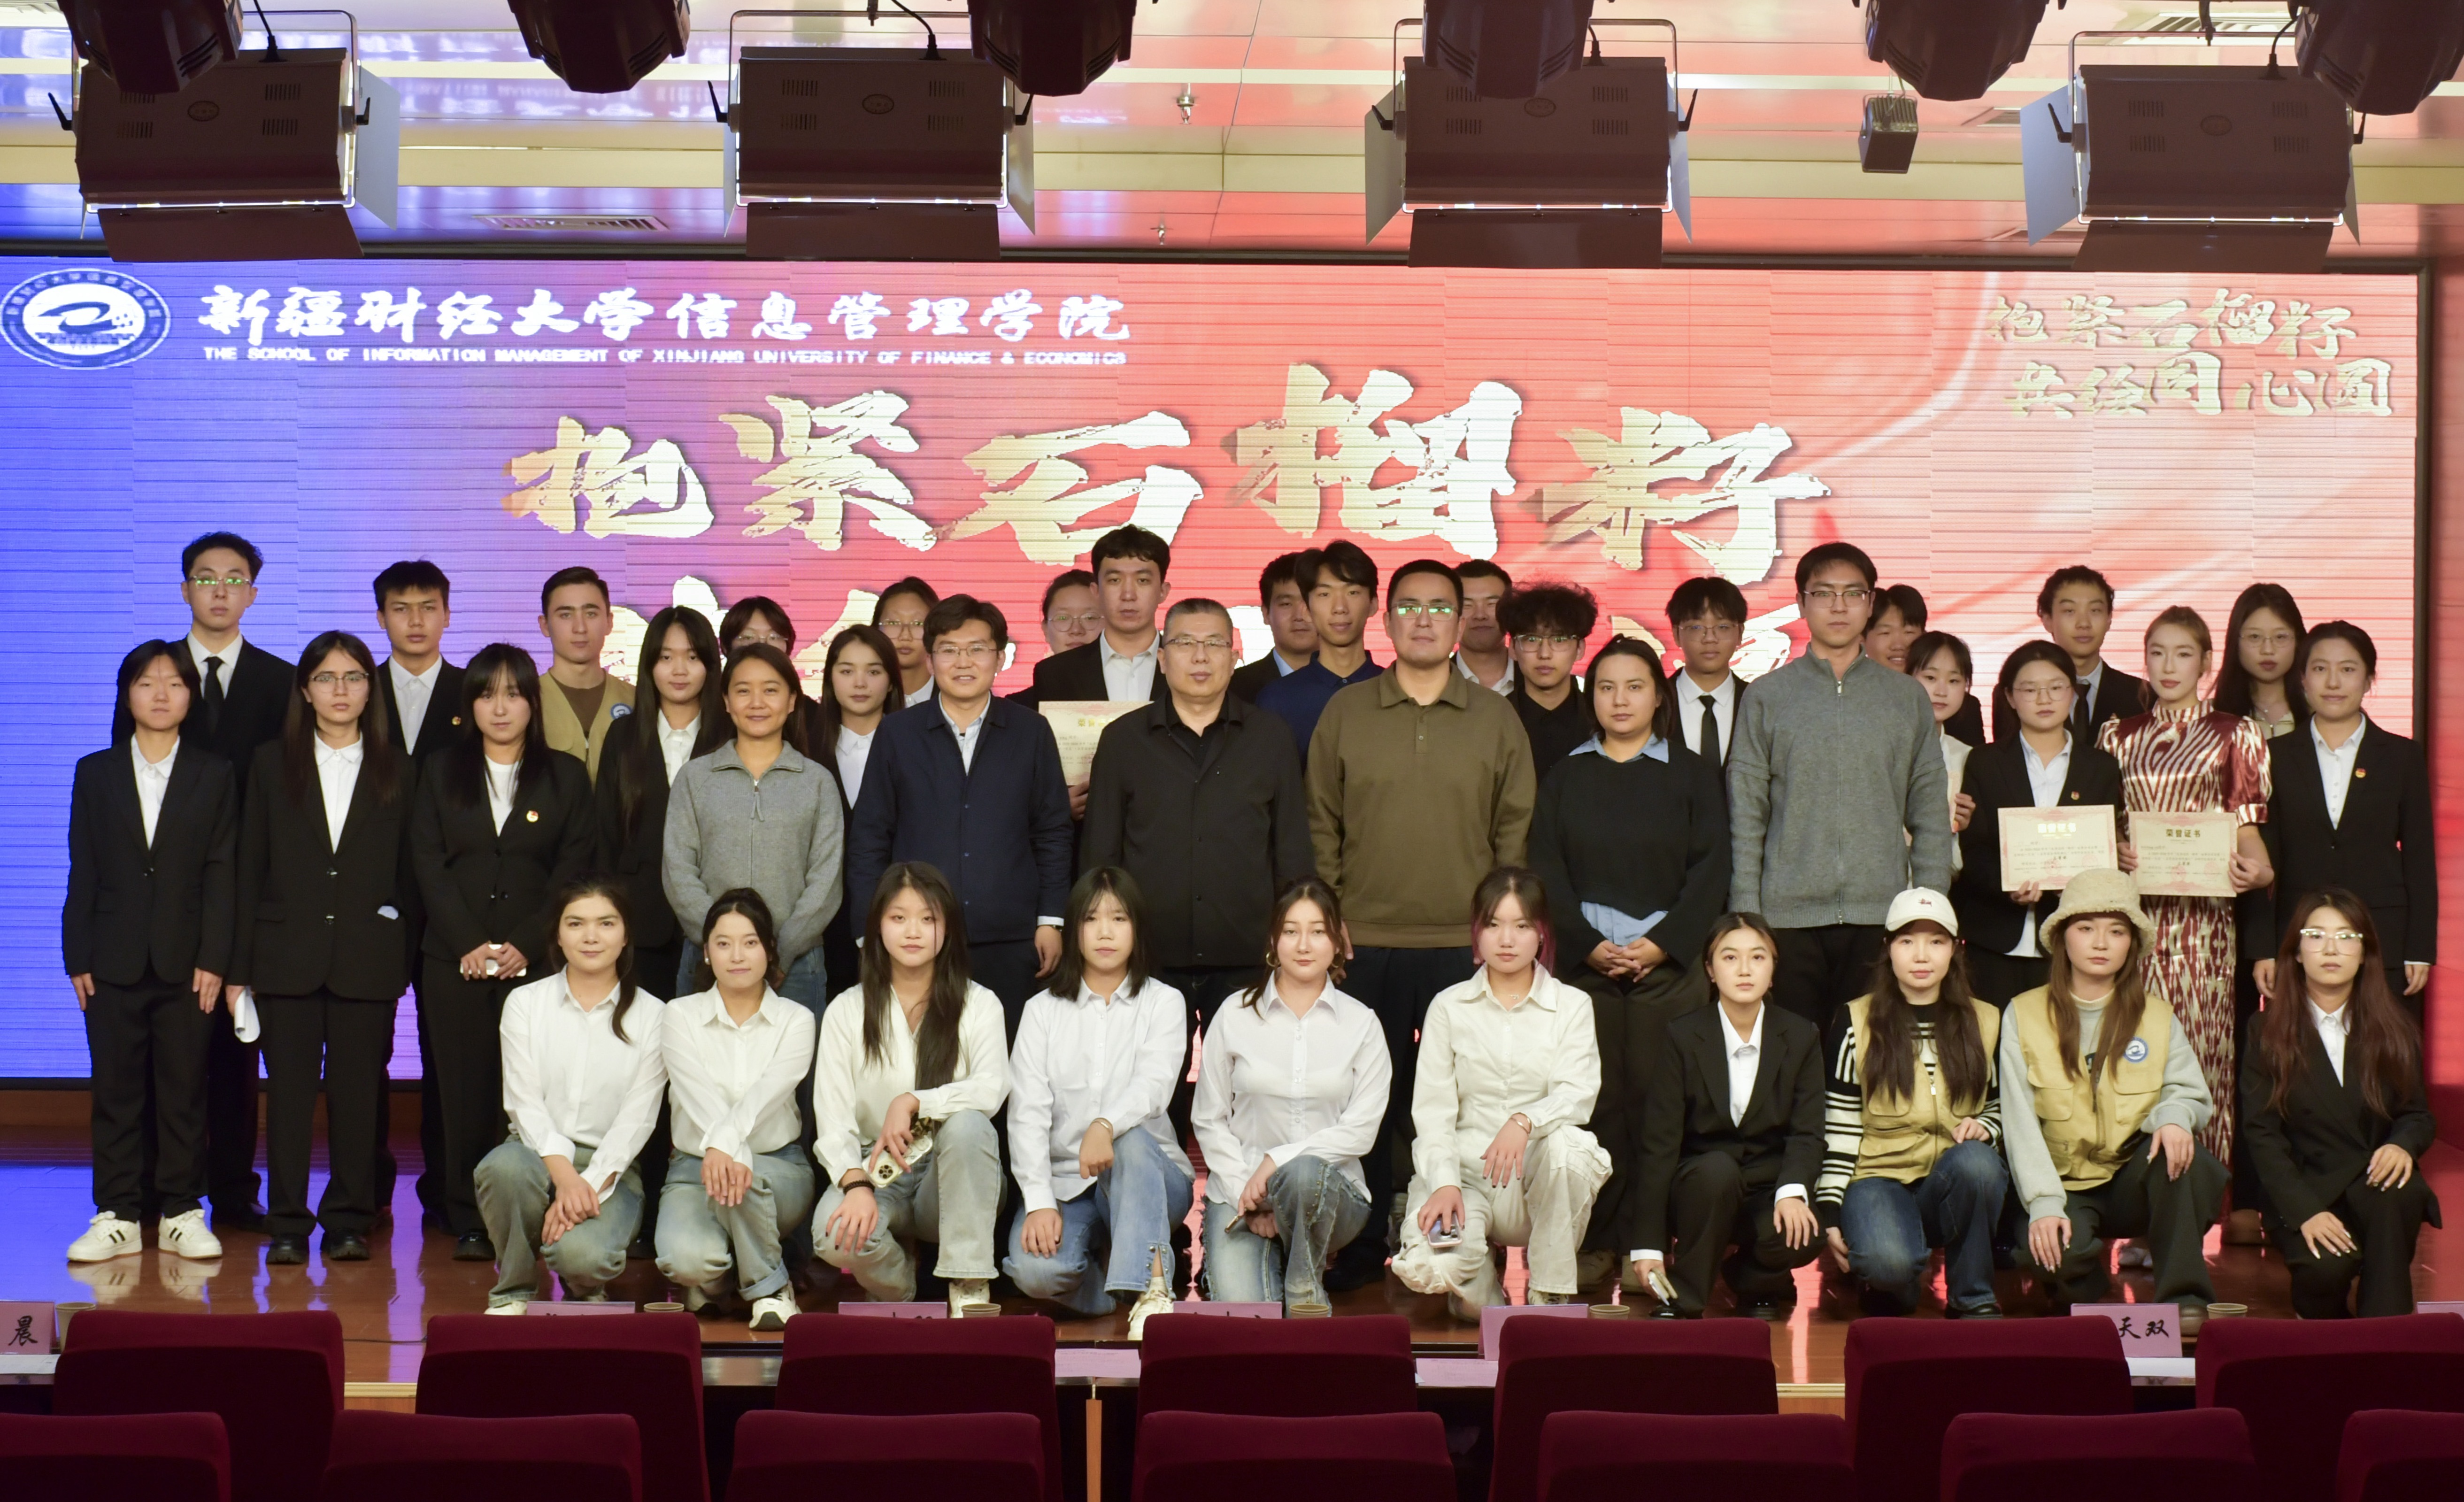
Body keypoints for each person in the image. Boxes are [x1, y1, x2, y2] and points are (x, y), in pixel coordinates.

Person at [1308, 558, 1536, 1287]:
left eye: (1440, 607)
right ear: (1387, 618)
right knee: (1367, 1099)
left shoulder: (1495, 717)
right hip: (1364, 939)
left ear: (1462, 619)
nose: (1425, 620)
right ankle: (1362, 1237)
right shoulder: (1347, 711)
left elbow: (1514, 827)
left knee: (1462, 1102)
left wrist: (1496, 928)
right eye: (1410, 606)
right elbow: (1322, 819)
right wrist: (1333, 914)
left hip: (1461, 947)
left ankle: (1466, 1240)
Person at [1528, 635, 1727, 1286]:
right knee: (1591, 1106)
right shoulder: (1567, 774)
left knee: (1660, 1109)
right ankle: (1594, 1240)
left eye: (1635, 686)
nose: (1620, 700)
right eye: (1607, 687)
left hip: (1669, 971)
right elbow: (1546, 867)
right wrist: (1585, 943)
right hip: (1584, 970)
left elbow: (1711, 868)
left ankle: (1650, 1241)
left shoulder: (1692, 773)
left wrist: (1664, 943)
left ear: (1658, 695)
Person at [1080, 597, 1311, 1146]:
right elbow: (1100, 858)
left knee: (1254, 1097)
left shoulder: (1270, 736)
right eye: (1185, 643)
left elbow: (1291, 848)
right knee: (1146, 1102)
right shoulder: (1124, 740)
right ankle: (1159, 1201)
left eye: (1213, 644)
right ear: (1162, 658)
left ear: (1235, 656)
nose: (1199, 656)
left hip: (1248, 956)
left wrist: (1294, 939)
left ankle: (1250, 1198)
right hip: (1149, 959)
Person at [230, 632, 413, 1267]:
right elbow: (248, 866)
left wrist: (399, 945)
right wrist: (239, 966)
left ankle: (348, 1220)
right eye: (327, 677)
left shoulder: (399, 767)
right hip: (285, 956)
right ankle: (287, 1221)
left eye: (354, 677)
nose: (341, 689)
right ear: (305, 690)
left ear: (370, 688)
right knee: (288, 1098)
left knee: (358, 1097)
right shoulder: (268, 764)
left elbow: (410, 872)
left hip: (369, 957)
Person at [410, 644, 597, 1262]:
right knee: (462, 1091)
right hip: (453, 960)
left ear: (531, 703)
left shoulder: (565, 775)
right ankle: (468, 1215)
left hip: (536, 964)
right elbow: (427, 861)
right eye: (487, 694)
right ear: (470, 705)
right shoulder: (440, 770)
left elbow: (573, 866)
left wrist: (527, 940)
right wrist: (468, 939)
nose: (500, 707)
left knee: (528, 1092)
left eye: (513, 693)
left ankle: (531, 1209)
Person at [1729, 541, 1951, 1034]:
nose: (1838, 606)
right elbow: (1746, 813)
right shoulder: (1767, 696)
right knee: (1792, 1055)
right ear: (1801, 602)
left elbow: (1931, 814)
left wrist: (1930, 909)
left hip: (1883, 915)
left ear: (1870, 604)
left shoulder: (1905, 698)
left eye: (1853, 593)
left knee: (1872, 1056)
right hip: (1786, 918)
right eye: (1823, 593)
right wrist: (1747, 913)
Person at [63, 643, 235, 1263]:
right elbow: (84, 867)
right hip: (110, 958)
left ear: (191, 695)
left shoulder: (215, 772)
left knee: (184, 1090)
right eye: (146, 682)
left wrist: (216, 955)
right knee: (115, 1091)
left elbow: (222, 871)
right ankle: (118, 1214)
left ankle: (183, 1211)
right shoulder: (96, 771)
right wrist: (76, 953)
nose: (161, 694)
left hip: (188, 962)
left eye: (174, 683)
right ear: (126, 693)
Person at [2002, 870, 2225, 1332]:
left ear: (2131, 944)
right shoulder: (2023, 1013)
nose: (2101, 942)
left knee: (2189, 1160)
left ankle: (2185, 1297)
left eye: (2116, 931)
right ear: (2063, 938)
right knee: (2057, 1262)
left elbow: (2186, 1090)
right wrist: (2044, 1202)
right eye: (2086, 928)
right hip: (2063, 1185)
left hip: (2131, 1178)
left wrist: (2174, 1116)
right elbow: (2019, 1122)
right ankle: (2085, 1280)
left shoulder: (2156, 1015)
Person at [2097, 606, 2272, 1171]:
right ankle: (2133, 1196)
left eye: (2182, 654)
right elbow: (2102, 826)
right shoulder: (2116, 736)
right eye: (2157, 653)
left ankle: (2201, 1198)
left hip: (2205, 927)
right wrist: (2114, 847)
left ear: (2206, 662)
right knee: (2130, 1053)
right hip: (2130, 922)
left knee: (2203, 1055)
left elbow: (2249, 835)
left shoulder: (2235, 734)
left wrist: (2260, 873)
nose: (2168, 666)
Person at [1392, 870, 1609, 1318]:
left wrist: (1524, 1120)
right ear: (1477, 931)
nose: (1507, 939)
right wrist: (1445, 1182)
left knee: (1570, 1147)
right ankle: (1481, 1285)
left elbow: (1577, 1093)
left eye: (1522, 925)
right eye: (1493, 924)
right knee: (1435, 1269)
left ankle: (1549, 1293)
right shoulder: (1448, 1006)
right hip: (1466, 1177)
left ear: (1542, 932)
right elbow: (1432, 1113)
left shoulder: (1572, 1005)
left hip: (1535, 1180)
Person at [850, 595, 1073, 1029]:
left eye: (977, 649)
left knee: (1008, 1057)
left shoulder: (1030, 730)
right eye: (949, 650)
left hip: (1011, 938)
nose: (963, 661)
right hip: (918, 937)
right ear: (930, 660)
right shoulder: (898, 733)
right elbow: (870, 836)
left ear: (1000, 658)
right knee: (919, 1057)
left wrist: (1051, 920)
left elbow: (1052, 832)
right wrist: (868, 929)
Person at [810, 862, 1011, 1314]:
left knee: (970, 1125)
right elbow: (833, 1118)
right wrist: (856, 1184)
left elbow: (993, 1088)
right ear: (877, 926)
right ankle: (902, 1287)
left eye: (928, 918)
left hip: (952, 1168)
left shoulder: (980, 1003)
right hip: (877, 1165)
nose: (913, 931)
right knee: (833, 1234)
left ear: (948, 927)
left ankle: (968, 1279)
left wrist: (917, 1100)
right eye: (899, 917)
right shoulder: (847, 1009)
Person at [1003, 868, 1195, 1335]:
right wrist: (1038, 1201)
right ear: (1074, 930)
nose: (1105, 932)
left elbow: (1154, 1085)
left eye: (1119, 918)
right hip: (1068, 1182)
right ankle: (1118, 1285)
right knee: (1035, 1272)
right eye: (1091, 919)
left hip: (1152, 1178)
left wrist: (1105, 1123)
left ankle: (1151, 1290)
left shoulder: (1164, 1002)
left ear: (1137, 928)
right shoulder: (1042, 1011)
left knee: (1131, 1140)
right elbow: (1027, 1114)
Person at [1191, 878, 1392, 1313]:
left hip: (1333, 1198)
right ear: (1273, 940)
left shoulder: (1362, 1024)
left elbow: (1361, 1131)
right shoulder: (1234, 1015)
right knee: (1246, 1317)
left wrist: (1276, 1164)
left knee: (1302, 1173)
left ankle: (1304, 1285)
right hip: (1241, 1191)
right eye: (1290, 930)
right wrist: (1251, 1192)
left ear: (1337, 942)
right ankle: (1264, 1260)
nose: (1304, 944)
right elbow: (1209, 1117)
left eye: (1318, 931)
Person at [172, 531, 293, 1232]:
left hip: (251, 892)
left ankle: (234, 1191)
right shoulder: (155, 673)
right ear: (185, 589)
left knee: (236, 1050)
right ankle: (166, 1187)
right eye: (206, 576)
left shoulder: (282, 681)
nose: (220, 590)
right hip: (168, 893)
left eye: (234, 578)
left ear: (253, 593)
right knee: (169, 1049)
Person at [2241, 891, 2438, 1319]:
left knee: (2399, 1192)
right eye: (2316, 935)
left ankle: (2386, 1331)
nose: (2331, 948)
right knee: (2325, 1271)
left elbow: (2417, 1114)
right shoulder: (2266, 1030)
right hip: (2307, 1187)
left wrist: (2402, 1144)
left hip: (2373, 1184)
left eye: (2347, 937)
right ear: (2296, 952)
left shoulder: (2394, 1026)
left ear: (2365, 952)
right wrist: (2305, 1212)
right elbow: (2262, 1133)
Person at [475, 878, 668, 1313]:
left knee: (582, 1257)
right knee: (504, 1168)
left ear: (626, 935)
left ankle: (583, 1285)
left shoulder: (654, 1015)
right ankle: (513, 1289)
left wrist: (585, 1186)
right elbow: (523, 1102)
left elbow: (636, 1122)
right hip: (533, 1154)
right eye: (576, 923)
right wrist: (564, 1177)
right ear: (558, 936)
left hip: (611, 1165)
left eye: (606, 923)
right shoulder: (526, 1003)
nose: (591, 936)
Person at [1815, 889, 2007, 1318]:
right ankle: (1891, 1272)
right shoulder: (1855, 1021)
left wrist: (1986, 1127)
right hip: (1878, 1179)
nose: (1922, 955)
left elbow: (2001, 1109)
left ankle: (1973, 1297)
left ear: (1955, 950)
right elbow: (1840, 1126)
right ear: (1888, 949)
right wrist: (1829, 1211)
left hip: (1951, 1180)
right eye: (1907, 941)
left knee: (1979, 1162)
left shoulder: (1987, 1020)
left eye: (1936, 941)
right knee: (1889, 1269)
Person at [1633, 913, 1825, 1318]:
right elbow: (1659, 1144)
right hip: (1701, 1190)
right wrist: (1648, 1244)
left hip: (1766, 1189)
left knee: (1805, 1233)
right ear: (1710, 969)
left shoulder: (1801, 1035)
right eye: (1730, 957)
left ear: (1773, 969)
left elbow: (1807, 1133)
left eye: (1758, 957)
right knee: (1717, 1170)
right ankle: (1685, 1298)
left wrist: (1791, 1191)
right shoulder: (1683, 1035)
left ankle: (1752, 1280)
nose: (1744, 969)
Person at [2254, 624, 2434, 1031]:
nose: (2333, 682)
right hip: (2300, 940)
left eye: (2348, 669)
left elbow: (2420, 858)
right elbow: (2266, 860)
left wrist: (2420, 949)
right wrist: (2264, 948)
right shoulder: (2273, 756)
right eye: (2320, 669)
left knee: (2386, 1051)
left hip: (2383, 938)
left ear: (2369, 679)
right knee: (2301, 1051)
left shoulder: (2402, 756)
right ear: (2302, 678)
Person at [656, 889, 817, 1331]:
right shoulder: (678, 1015)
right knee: (687, 1261)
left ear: (769, 949)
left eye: (750, 942)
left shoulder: (797, 1019)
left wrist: (729, 1152)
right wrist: (725, 1151)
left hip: (777, 1168)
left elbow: (767, 1095)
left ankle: (771, 1289)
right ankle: (724, 1276)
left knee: (746, 1182)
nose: (738, 955)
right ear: (707, 952)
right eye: (723, 943)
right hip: (694, 1168)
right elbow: (696, 1094)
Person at [664, 644, 845, 1016]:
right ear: (726, 701)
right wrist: (721, 943)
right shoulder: (694, 778)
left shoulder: (817, 782)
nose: (757, 702)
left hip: (795, 965)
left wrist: (779, 951)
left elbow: (826, 881)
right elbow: (678, 872)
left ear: (792, 701)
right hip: (707, 960)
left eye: (771, 690)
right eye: (743, 690)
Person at [1952, 642, 2129, 1006]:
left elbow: (2102, 850)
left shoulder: (2101, 767)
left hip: (2071, 941)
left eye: (2056, 687)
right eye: (2030, 689)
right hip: (1995, 937)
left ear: (2073, 692)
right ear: (2010, 697)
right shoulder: (1985, 762)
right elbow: (1975, 850)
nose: (2044, 699)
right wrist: (2009, 887)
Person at [370, 559, 465, 1227]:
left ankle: (449, 1186)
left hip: (451, 903)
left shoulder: (473, 692)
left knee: (449, 1054)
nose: (415, 620)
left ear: (447, 615)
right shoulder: (353, 688)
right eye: (401, 608)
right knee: (364, 1053)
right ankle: (367, 1184)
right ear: (381, 617)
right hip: (367, 899)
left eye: (428, 607)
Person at [598, 606, 726, 1009]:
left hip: (716, 923)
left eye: (693, 656)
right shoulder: (623, 736)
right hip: (638, 923)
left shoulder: (731, 737)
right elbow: (605, 835)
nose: (679, 670)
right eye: (666, 657)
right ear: (650, 664)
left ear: (710, 664)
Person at [813, 624, 906, 1000]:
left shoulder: (916, 749)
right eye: (847, 670)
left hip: (898, 921)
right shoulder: (804, 748)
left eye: (874, 670)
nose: (860, 683)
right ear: (830, 678)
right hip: (819, 929)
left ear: (892, 680)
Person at [1991, 566, 2149, 745]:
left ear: (2109, 619)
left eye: (2095, 610)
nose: (2084, 623)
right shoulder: (2017, 693)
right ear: (2047, 619)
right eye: (2070, 611)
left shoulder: (2142, 694)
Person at [1255, 540, 1383, 754]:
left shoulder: (1397, 689)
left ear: (1373, 604)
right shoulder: (1277, 700)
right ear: (1307, 610)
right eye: (1325, 594)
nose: (1340, 608)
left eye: (1353, 593)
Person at [1033, 525, 1173, 702]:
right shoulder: (1055, 673)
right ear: (1096, 591)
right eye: (1114, 580)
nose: (1128, 595)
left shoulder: (1187, 664)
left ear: (1162, 592)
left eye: (1143, 581)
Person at [535, 567, 630, 782]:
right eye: (566, 615)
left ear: (609, 622)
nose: (580, 628)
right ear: (545, 625)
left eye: (591, 614)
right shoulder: (526, 702)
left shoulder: (637, 701)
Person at [1499, 582, 1599, 782]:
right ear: (1513, 648)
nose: (1544, 654)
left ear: (1580, 649)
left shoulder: (1601, 721)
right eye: (1531, 640)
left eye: (1559, 640)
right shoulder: (1493, 721)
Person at [1907, 631, 1976, 872]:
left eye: (1954, 681)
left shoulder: (1969, 758)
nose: (1942, 691)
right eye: (1930, 677)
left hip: (1946, 883)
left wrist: (1968, 825)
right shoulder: (1880, 748)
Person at [1665, 575, 1748, 768]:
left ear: (1740, 633)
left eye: (1723, 627)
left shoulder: (1759, 703)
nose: (1710, 638)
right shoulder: (1654, 702)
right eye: (1696, 627)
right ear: (1677, 634)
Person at [2213, 583, 2307, 741]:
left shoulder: (2321, 712)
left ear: (2297, 641)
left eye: (2280, 637)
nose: (2268, 650)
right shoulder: (2210, 718)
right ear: (2236, 642)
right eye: (2255, 637)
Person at [1228, 552, 1317, 703]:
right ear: (1266, 614)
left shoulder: (1356, 686)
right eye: (1286, 604)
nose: (1299, 616)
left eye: (1309, 603)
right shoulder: (1233, 689)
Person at [1013, 570, 1100, 708]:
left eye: (1090, 618)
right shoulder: (1018, 708)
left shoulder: (1128, 698)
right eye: (1063, 618)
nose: (1076, 630)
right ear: (1046, 630)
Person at [871, 576, 941, 704]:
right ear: (876, 629)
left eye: (918, 624)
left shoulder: (954, 697)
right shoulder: (863, 696)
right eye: (893, 623)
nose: (905, 636)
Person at [1455, 559, 1515, 693]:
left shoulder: (1537, 679)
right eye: (1467, 605)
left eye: (1492, 604)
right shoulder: (1432, 683)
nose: (1480, 615)